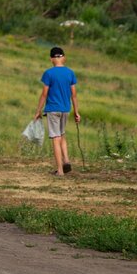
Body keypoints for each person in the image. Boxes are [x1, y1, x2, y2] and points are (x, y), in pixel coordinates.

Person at [33, 46, 80, 176]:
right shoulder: (70, 73)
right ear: (64, 58)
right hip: (66, 109)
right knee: (62, 135)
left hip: (53, 109)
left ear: (51, 59)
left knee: (55, 138)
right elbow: (74, 94)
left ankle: (60, 171)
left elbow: (44, 94)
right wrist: (77, 112)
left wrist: (38, 111)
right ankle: (66, 161)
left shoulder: (49, 73)